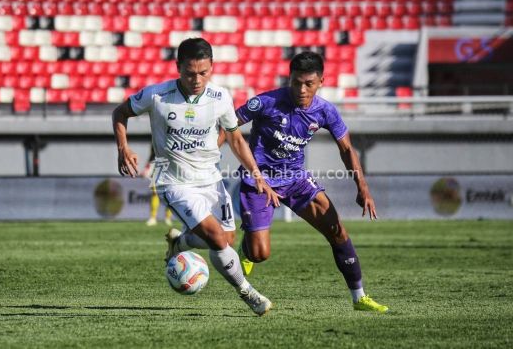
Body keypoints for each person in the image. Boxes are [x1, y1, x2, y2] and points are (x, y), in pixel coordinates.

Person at [112, 37, 280, 316]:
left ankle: (181, 243)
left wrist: (256, 173)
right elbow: (120, 112)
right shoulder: (156, 95)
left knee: (226, 239)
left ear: (212, 67)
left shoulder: (221, 97)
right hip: (174, 180)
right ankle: (247, 292)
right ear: (178, 67)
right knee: (216, 238)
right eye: (190, 73)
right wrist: (123, 147)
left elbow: (236, 139)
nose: (197, 79)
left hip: (211, 179)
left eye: (203, 72)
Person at [235, 51, 389, 313]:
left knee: (337, 230)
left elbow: (346, 149)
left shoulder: (326, 111)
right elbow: (228, 126)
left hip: (296, 179)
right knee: (260, 254)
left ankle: (359, 297)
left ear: (321, 82)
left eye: (309, 83)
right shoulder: (266, 102)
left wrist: (362, 187)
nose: (302, 89)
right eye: (296, 82)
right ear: (289, 79)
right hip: (259, 180)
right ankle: (248, 246)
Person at [141, 145, 173, 227]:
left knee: (170, 193)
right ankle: (153, 218)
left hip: (171, 166)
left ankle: (168, 218)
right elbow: (152, 154)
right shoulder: (155, 137)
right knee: (154, 192)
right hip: (158, 165)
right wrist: (147, 167)